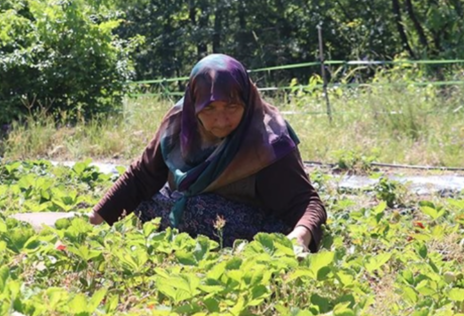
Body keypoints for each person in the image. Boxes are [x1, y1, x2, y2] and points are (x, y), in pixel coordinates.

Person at [88, 54, 327, 251]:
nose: (221, 120)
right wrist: (92, 223)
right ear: (194, 106)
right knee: (144, 198)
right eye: (209, 108)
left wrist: (300, 236)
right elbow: (140, 177)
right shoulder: (178, 125)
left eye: (232, 107)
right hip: (191, 206)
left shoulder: (268, 139)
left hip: (250, 221)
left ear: (247, 101)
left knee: (196, 207)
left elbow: (307, 202)